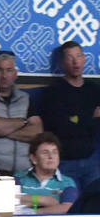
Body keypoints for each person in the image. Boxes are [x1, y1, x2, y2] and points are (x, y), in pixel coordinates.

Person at [38, 41, 100, 188]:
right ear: (62, 62)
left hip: (92, 158)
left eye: (78, 56)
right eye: (70, 57)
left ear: (84, 58)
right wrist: (91, 119)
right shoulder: (53, 92)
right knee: (69, 204)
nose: (75, 62)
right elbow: (61, 128)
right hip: (65, 160)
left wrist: (78, 120)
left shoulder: (94, 90)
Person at [0, 50, 42, 175]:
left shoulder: (25, 98)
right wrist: (24, 122)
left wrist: (2, 130)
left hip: (25, 172)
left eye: (9, 70)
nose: (4, 75)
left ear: (15, 74)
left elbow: (37, 133)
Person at [15, 132, 78, 215]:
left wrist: (32, 212)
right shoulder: (19, 178)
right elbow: (11, 201)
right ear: (34, 158)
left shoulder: (67, 182)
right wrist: (46, 200)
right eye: (45, 152)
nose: (51, 157)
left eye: (55, 152)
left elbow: (67, 208)